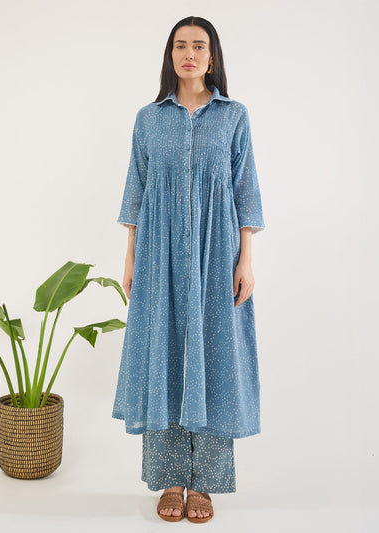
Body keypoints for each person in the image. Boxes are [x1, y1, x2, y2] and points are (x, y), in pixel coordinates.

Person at [112, 15, 265, 523]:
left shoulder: (234, 116)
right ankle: (171, 479)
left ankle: (205, 483)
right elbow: (136, 188)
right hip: (158, 253)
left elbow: (245, 189)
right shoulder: (149, 119)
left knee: (215, 357)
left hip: (218, 254)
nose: (190, 54)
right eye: (181, 45)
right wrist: (131, 256)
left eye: (199, 46)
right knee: (165, 354)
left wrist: (246, 258)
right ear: (170, 55)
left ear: (212, 56)